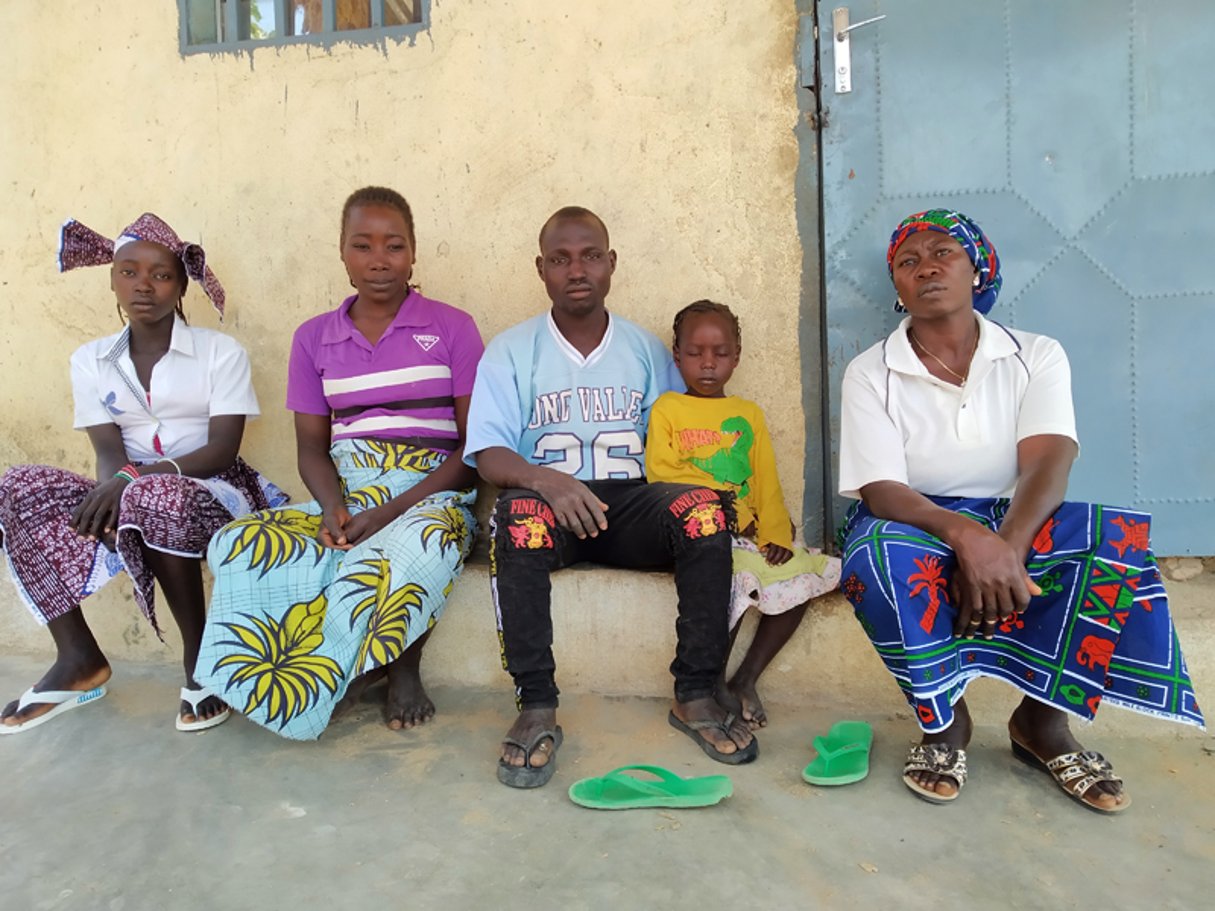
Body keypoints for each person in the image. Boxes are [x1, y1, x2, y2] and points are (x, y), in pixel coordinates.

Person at [838, 208, 1204, 812]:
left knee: (1112, 542)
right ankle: (944, 724)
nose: (926, 267)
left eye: (942, 253)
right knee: (875, 557)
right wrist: (966, 538)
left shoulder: (1036, 354)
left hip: (1016, 515)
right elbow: (881, 490)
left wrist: (1003, 545)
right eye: (908, 261)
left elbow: (1049, 461)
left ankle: (1043, 723)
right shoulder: (871, 370)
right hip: (916, 517)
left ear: (978, 270)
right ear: (898, 288)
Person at [466, 207, 757, 789]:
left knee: (702, 510)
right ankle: (536, 703)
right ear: (541, 270)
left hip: (632, 508)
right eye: (561, 258)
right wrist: (547, 481)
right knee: (515, 515)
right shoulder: (511, 349)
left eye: (591, 255)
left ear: (611, 264)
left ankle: (696, 693)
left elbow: (686, 437)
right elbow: (489, 453)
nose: (578, 269)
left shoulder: (648, 350)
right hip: (552, 512)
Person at [194, 186, 483, 741]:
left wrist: (391, 510)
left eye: (394, 246)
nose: (379, 260)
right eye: (363, 245)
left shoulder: (451, 328)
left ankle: (400, 668)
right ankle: (320, 675)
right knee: (238, 543)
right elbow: (311, 447)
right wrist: (334, 508)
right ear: (343, 252)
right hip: (348, 487)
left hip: (432, 492)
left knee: (420, 542)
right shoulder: (314, 339)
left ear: (414, 252)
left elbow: (471, 450)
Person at [0, 213, 282, 735]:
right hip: (130, 487)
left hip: (212, 491)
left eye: (161, 275)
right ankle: (78, 658)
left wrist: (136, 484)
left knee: (158, 496)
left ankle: (200, 662)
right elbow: (107, 451)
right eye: (129, 272)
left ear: (181, 285)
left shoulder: (220, 353)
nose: (144, 286)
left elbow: (222, 450)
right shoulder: (90, 360)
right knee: (16, 488)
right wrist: (117, 491)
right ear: (112, 279)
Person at [645, 300, 841, 729]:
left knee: (804, 572)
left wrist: (775, 534)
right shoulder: (668, 410)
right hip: (701, 530)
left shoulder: (748, 414)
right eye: (695, 353)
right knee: (725, 579)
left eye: (720, 353)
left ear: (737, 355)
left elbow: (766, 478)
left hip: (752, 532)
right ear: (676, 356)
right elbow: (662, 471)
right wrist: (724, 508)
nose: (708, 364)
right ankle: (709, 682)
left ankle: (745, 677)